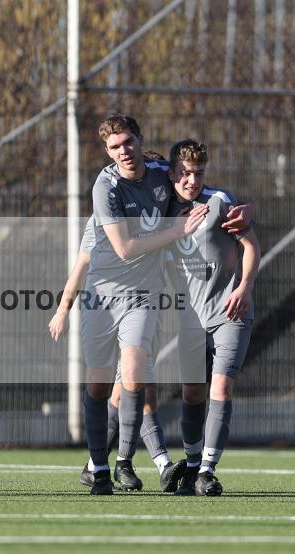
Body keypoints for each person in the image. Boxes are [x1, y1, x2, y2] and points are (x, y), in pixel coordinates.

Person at [79, 115, 209, 495]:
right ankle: (97, 469)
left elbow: (193, 187)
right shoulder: (105, 187)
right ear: (107, 151)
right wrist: (176, 230)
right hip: (102, 294)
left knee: (135, 377)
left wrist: (236, 209)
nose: (124, 151)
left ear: (140, 139)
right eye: (115, 147)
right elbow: (124, 248)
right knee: (99, 386)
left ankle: (122, 462)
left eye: (128, 142)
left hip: (143, 294)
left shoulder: (158, 172)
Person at [49, 213, 185, 493]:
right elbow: (82, 265)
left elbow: (174, 267)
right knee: (134, 389)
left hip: (144, 313)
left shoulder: (157, 212)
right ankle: (150, 463)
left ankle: (96, 464)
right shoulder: (101, 217)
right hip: (108, 313)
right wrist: (63, 309)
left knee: (126, 391)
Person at [163, 139, 260, 497]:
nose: (192, 180)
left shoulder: (220, 202)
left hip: (229, 313)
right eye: (185, 173)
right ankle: (189, 466)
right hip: (190, 318)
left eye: (198, 173)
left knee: (221, 387)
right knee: (191, 393)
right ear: (173, 173)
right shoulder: (163, 209)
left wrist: (245, 288)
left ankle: (207, 469)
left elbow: (251, 246)